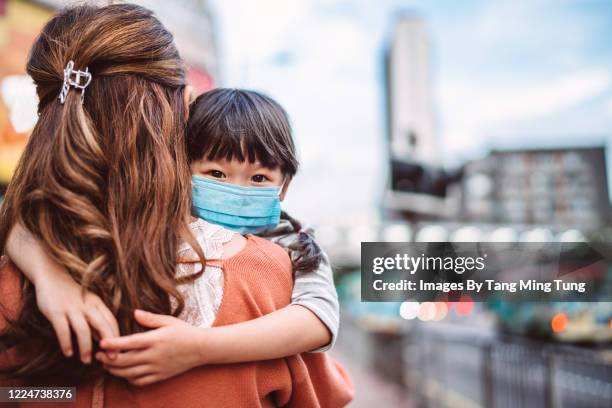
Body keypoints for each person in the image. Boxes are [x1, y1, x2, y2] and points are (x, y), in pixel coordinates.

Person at [0, 3, 352, 407]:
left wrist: (46, 276)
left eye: (259, 177)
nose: (236, 187)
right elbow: (326, 392)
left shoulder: (16, 276)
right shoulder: (269, 278)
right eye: (216, 173)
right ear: (183, 112)